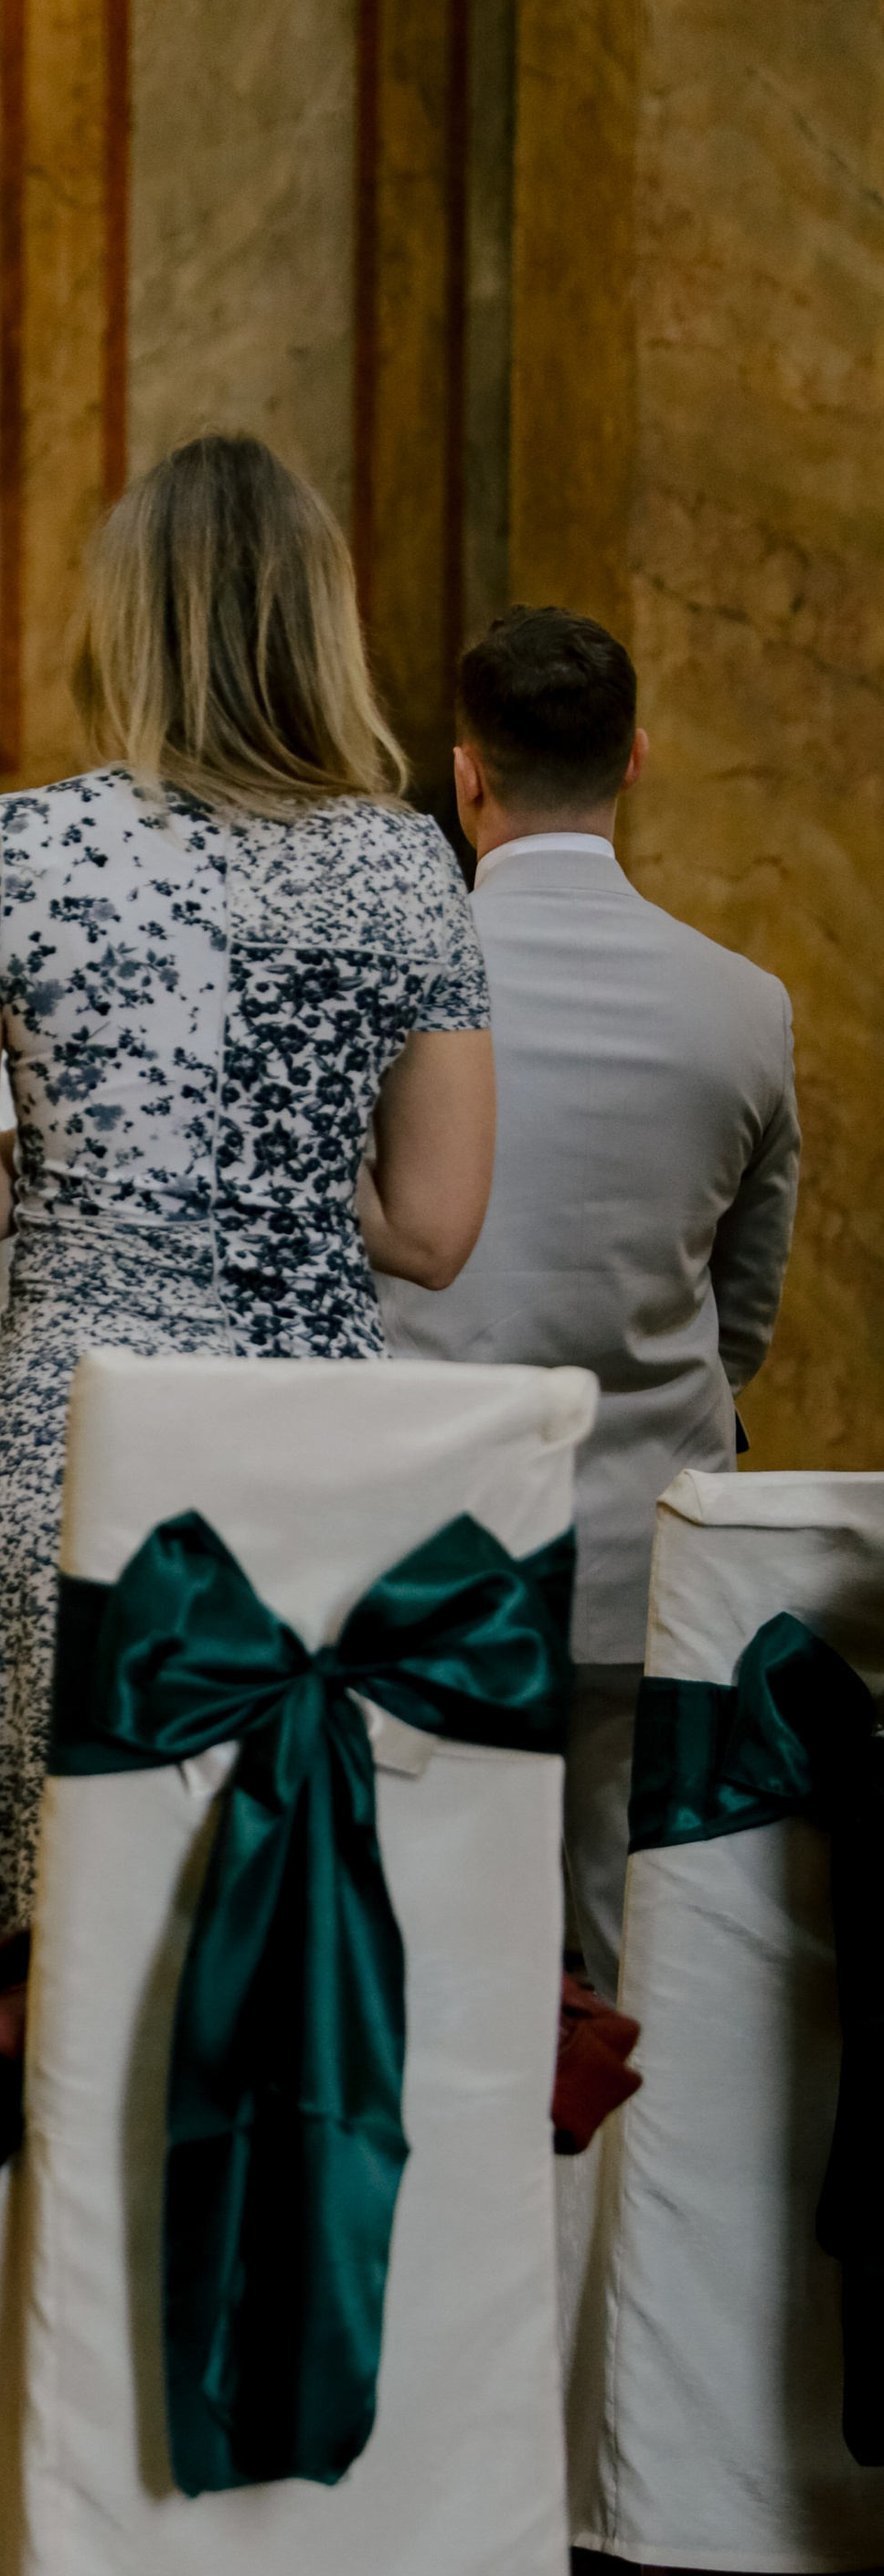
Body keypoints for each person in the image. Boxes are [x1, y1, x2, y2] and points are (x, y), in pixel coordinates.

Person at [0, 431, 495, 2025]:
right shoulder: (410, 862)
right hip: (323, 1450)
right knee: (288, 1939)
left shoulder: (7, 850)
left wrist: (91, 1167)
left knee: (49, 1956)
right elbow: (432, 1228)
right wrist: (265, 1171)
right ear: (324, 622)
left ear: (123, 621)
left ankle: (28, 2273)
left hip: (84, 1445)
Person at [380, 607, 799, 1993]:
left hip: (420, 1542)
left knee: (429, 1960)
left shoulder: (390, 992)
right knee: (642, 1969)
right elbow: (742, 1311)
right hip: (645, 1554)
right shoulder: (743, 1005)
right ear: (635, 762)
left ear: (464, 775)